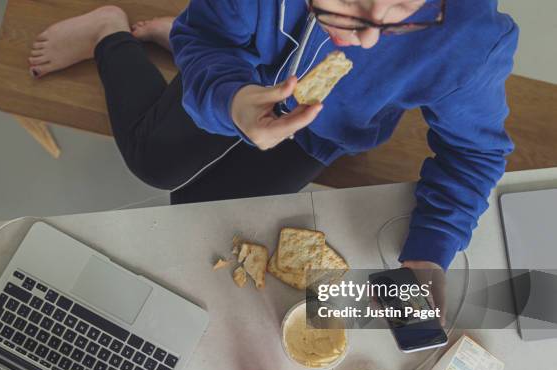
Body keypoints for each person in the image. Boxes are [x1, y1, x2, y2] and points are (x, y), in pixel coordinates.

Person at [28, 0, 518, 316]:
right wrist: (231, 101)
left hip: (323, 130)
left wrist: (429, 253)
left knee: (201, 211)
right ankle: (108, 31)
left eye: (404, 7)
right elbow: (208, 42)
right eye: (348, 2)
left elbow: (474, 152)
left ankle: (177, 30)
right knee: (154, 164)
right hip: (242, 65)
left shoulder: (471, 40)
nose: (368, 39)